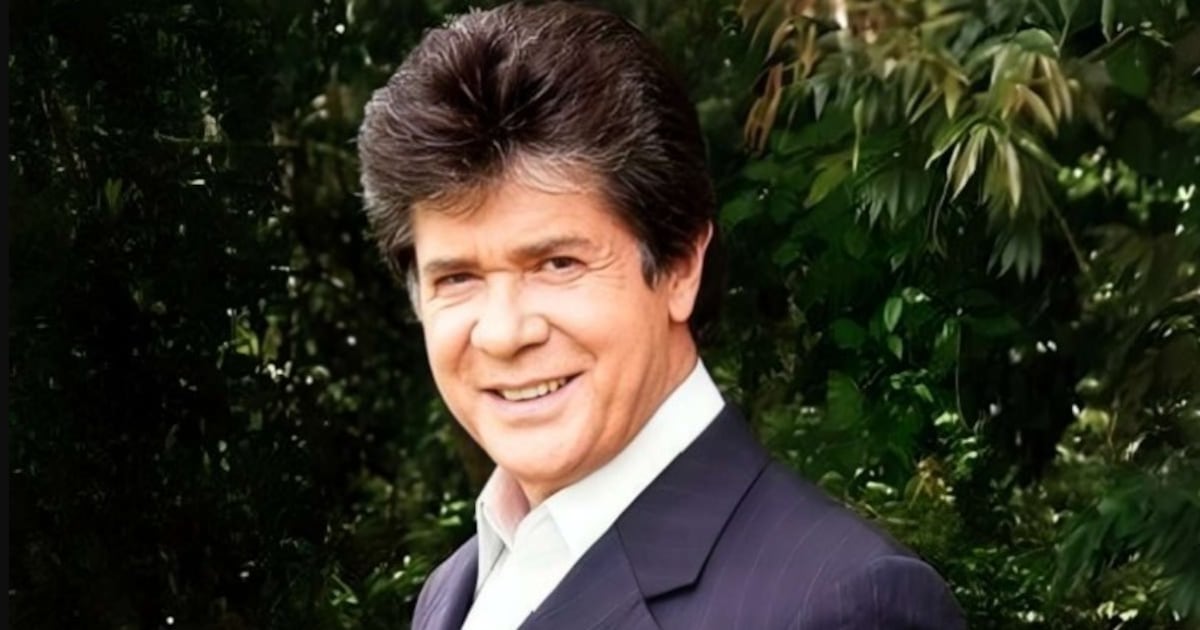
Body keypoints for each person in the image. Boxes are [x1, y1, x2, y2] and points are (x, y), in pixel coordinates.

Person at [357, 2, 965, 628]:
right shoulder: (454, 590)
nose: (505, 333)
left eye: (558, 264)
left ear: (679, 267)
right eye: (458, 278)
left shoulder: (847, 604)